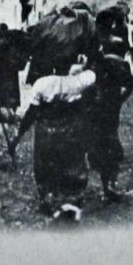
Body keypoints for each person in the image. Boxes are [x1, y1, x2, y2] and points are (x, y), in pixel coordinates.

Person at [8, 54, 97, 219]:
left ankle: (47, 198)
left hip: (47, 130)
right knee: (73, 162)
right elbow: (93, 73)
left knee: (45, 164)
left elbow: (31, 113)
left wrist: (18, 136)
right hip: (71, 129)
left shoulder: (42, 83)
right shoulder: (79, 81)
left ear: (52, 66)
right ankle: (72, 197)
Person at [88, 10, 133, 200]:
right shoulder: (118, 45)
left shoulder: (92, 47)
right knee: (110, 136)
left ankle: (104, 180)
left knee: (96, 137)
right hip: (112, 100)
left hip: (95, 100)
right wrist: (119, 100)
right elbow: (129, 83)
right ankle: (110, 181)